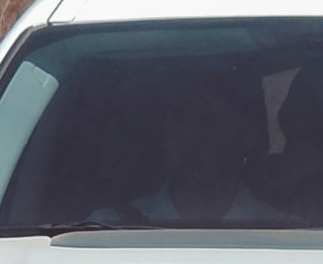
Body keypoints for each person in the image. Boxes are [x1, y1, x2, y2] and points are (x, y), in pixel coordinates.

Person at [79, 65, 293, 227]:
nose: (196, 135)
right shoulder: (102, 229)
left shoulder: (289, 235)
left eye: (212, 121)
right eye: (183, 119)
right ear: (165, 132)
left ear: (246, 135)